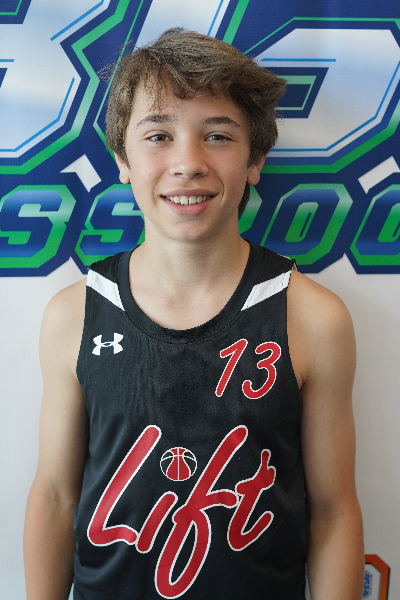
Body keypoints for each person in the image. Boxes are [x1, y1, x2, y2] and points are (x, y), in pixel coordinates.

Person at [23, 29, 364, 600]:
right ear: (122, 158)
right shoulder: (75, 313)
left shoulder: (313, 318)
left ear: (255, 159)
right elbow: (56, 497)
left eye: (218, 136)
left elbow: (333, 512)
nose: (188, 163)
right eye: (158, 136)